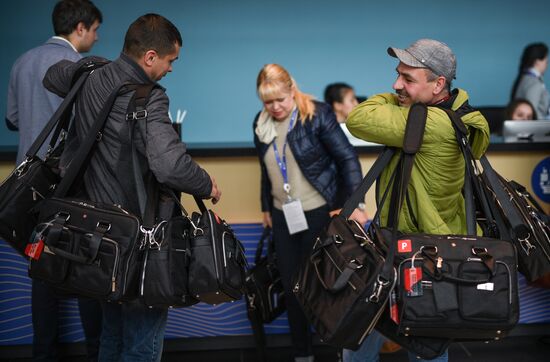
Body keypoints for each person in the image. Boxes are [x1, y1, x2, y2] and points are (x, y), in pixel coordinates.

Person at [43, 13, 221, 361]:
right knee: (141, 343)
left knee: (112, 333)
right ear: (150, 57)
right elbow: (169, 165)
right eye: (171, 61)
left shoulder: (92, 75)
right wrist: (207, 184)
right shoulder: (150, 97)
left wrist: (91, 65)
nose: (171, 69)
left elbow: (52, 76)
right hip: (140, 239)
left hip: (96, 233)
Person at [345, 39, 490, 362]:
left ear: (439, 84)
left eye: (408, 80)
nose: (396, 85)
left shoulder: (431, 123)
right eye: (397, 76)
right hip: (405, 245)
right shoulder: (449, 113)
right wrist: (406, 98)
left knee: (423, 344)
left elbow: (358, 117)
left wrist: (395, 101)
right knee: (366, 330)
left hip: (421, 254)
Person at [5, 1, 102, 361]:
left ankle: (44, 354)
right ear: (80, 28)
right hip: (73, 182)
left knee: (41, 269)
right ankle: (97, 353)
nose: (96, 35)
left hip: (28, 184)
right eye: (94, 29)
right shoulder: (81, 67)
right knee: (88, 270)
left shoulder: (22, 62)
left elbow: (13, 119)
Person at [253, 64, 366, 362]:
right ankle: (302, 354)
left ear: (292, 90)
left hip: (319, 213)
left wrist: (354, 206)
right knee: (293, 288)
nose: (275, 107)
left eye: (280, 99)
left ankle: (338, 351)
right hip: (283, 216)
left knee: (327, 286)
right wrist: (266, 205)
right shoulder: (261, 123)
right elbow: (267, 168)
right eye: (268, 101)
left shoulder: (316, 115)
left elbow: (348, 160)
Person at [510, 42, 549, 120]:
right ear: (537, 61)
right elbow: (531, 113)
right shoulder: (534, 83)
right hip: (536, 128)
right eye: (546, 61)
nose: (547, 65)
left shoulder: (525, 78)